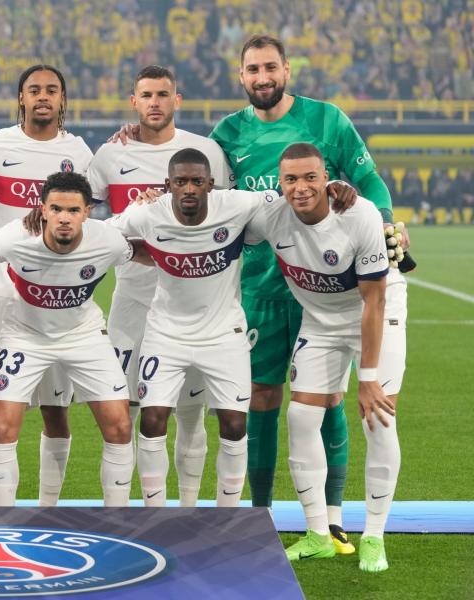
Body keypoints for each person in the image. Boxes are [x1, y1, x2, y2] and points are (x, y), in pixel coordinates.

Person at [209, 34, 405, 550]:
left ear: (287, 69)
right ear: (241, 75)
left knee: (328, 399)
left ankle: (332, 519)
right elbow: (211, 202)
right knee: (264, 398)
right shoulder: (225, 134)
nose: (262, 77)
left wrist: (386, 228)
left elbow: (372, 185)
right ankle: (259, 515)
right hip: (264, 286)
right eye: (252, 69)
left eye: (270, 67)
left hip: (332, 288)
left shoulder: (328, 121)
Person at [246, 143, 395, 571]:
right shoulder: (269, 214)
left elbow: (375, 301)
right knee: (300, 417)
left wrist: (366, 377)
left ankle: (373, 536)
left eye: (310, 177)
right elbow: (218, 212)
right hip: (321, 319)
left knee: (380, 416)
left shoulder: (358, 215)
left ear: (326, 177)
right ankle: (317, 535)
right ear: (279, 181)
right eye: (290, 179)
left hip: (377, 312)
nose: (301, 187)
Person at [89, 65, 231, 507]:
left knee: (190, 414)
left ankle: (186, 510)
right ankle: (126, 513)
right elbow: (92, 223)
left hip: (193, 302)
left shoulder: (205, 150)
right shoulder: (109, 155)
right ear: (133, 102)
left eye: (162, 94)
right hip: (131, 302)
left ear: (177, 99)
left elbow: (224, 212)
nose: (154, 102)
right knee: (125, 412)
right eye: (146, 95)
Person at [109, 148, 272, 507]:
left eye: (197, 181)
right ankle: (156, 514)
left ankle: (226, 514)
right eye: (180, 181)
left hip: (223, 334)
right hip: (165, 334)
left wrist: (337, 187)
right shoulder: (147, 213)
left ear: (211, 185)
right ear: (167, 185)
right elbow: (103, 235)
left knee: (234, 425)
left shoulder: (239, 205)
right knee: (152, 419)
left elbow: (287, 203)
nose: (189, 189)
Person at [0, 171, 143, 508]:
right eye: (56, 209)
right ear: (43, 210)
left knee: (120, 425)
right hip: (24, 334)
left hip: (83, 335)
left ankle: (118, 519)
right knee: (2, 426)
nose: (64, 218)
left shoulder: (108, 240)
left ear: (87, 211)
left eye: (73, 210)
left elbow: (143, 252)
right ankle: (1, 519)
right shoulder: (14, 238)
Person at [0, 65, 93, 506]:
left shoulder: (79, 152)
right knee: (2, 410)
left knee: (56, 412)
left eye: (52, 90)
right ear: (20, 97)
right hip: (7, 298)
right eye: (34, 90)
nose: (43, 97)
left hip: (61, 302)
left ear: (63, 99)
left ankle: (48, 509)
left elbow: (88, 210)